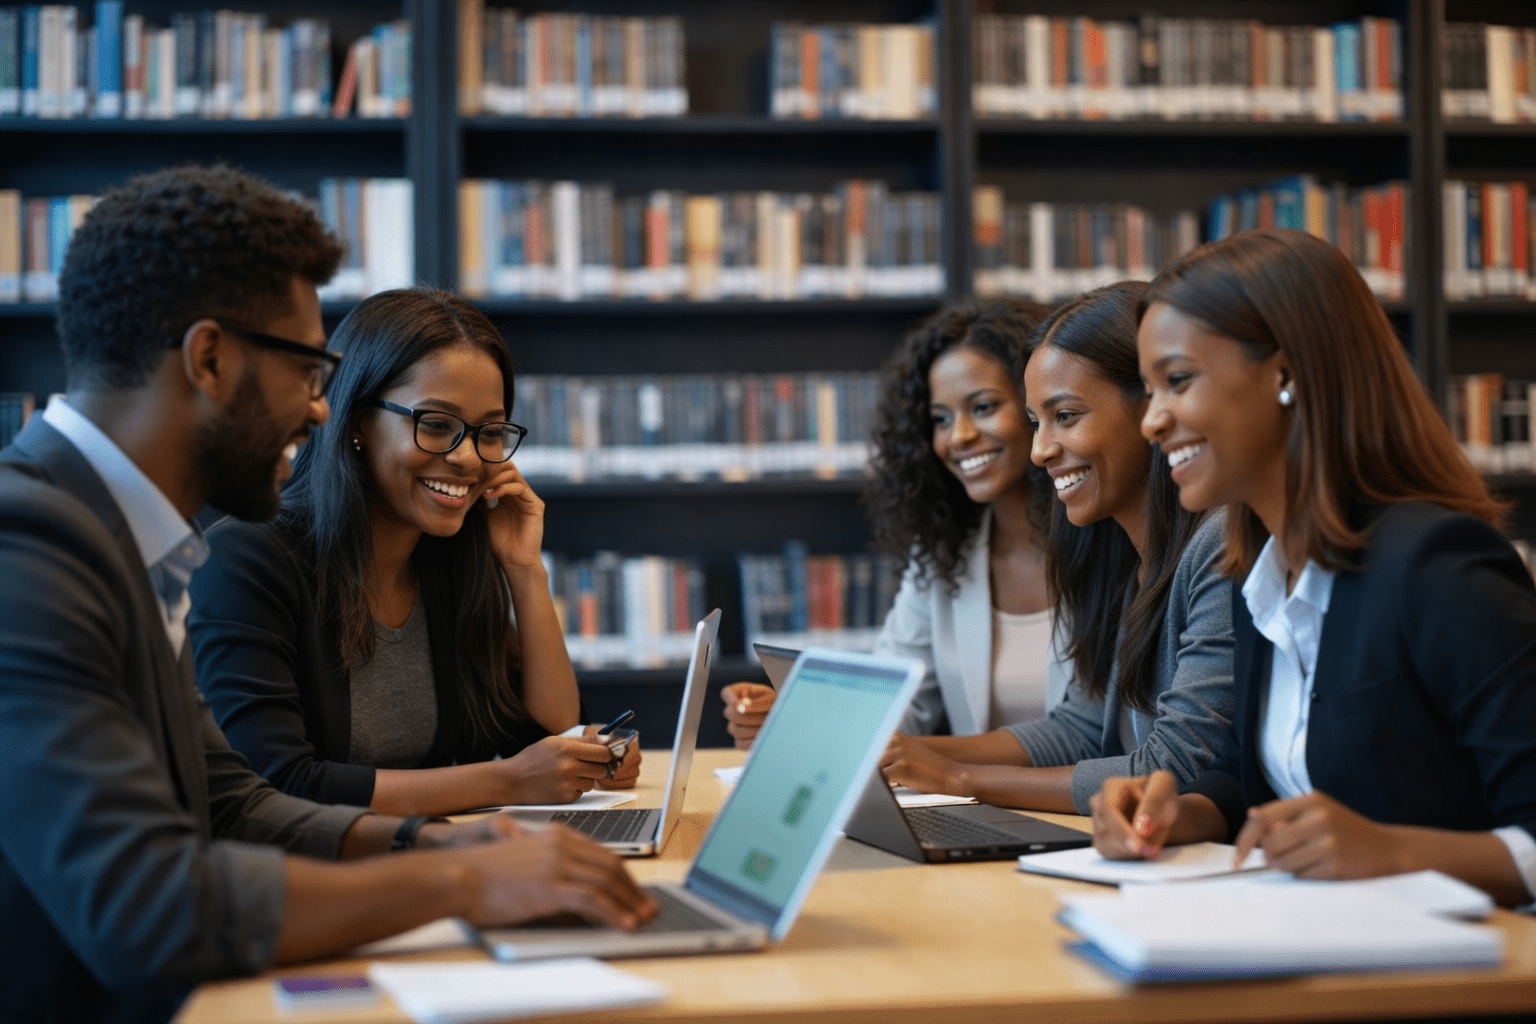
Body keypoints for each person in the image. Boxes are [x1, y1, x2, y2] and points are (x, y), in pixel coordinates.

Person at [0, 164, 654, 1024]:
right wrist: (456, 878)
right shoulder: (29, 549)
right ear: (210, 359)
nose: (317, 410)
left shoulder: (128, 539)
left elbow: (233, 802)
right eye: (308, 370)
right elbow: (145, 906)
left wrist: (444, 841)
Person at [1092, 228, 1536, 908]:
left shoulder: (1438, 568)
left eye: (1178, 380)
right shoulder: (1259, 581)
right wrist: (1173, 815)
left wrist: (1395, 852)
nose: (1153, 421)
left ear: (1288, 372)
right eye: (1150, 390)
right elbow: (1254, 785)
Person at [190, 289, 638, 817]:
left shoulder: (447, 563)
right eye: (436, 424)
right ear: (357, 421)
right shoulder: (247, 560)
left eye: (488, 432)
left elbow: (545, 732)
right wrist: (507, 782)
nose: (467, 458)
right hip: (311, 887)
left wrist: (524, 570)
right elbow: (276, 785)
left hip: (431, 866)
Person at [880, 282, 1235, 815]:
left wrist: (959, 777)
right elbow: (1081, 728)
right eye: (1035, 422)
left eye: (1065, 417)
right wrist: (901, 754)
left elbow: (1171, 766)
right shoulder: (1127, 555)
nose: (1041, 451)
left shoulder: (1216, 544)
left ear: (1151, 409)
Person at [721, 300, 1060, 746]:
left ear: (1040, 405)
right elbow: (891, 708)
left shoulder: (1110, 540)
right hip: (990, 813)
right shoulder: (943, 555)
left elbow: (1092, 735)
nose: (958, 436)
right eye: (940, 418)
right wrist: (787, 721)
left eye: (983, 407)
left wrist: (941, 764)